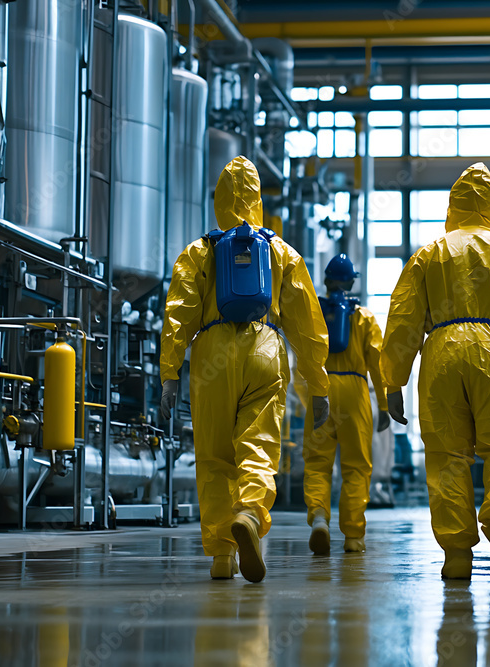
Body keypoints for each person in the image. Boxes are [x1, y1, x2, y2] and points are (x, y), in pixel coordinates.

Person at [380, 162, 490, 582]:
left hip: (440, 351)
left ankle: (457, 555)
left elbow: (403, 319)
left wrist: (394, 380)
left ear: (452, 204)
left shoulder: (429, 253)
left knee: (446, 457)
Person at [160, 156, 330, 583]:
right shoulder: (279, 251)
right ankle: (251, 514)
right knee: (258, 445)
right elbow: (308, 322)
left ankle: (221, 555)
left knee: (214, 457)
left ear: (218, 199)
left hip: (212, 354)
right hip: (264, 347)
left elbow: (177, 315)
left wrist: (169, 374)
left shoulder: (200, 251)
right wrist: (319, 383)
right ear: (257, 200)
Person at [304, 254, 390, 555]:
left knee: (318, 463)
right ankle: (353, 536)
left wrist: (310, 394)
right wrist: (383, 404)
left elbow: (304, 357)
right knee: (356, 467)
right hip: (354, 390)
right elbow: (378, 364)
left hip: (322, 389)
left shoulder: (314, 314)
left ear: (327, 282)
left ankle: (319, 519)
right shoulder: (364, 318)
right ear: (352, 282)